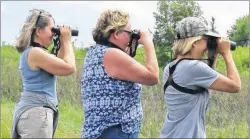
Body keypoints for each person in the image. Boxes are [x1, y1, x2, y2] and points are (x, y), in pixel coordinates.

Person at [80, 9, 159, 139]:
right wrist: (148, 43)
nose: (131, 37)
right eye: (129, 32)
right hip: (115, 130)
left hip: (103, 130)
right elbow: (153, 77)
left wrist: (131, 46)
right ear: (116, 34)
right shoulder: (112, 54)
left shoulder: (95, 52)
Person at [159, 16, 241, 138]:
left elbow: (208, 88)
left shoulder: (171, 67)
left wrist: (212, 55)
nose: (208, 43)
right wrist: (226, 53)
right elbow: (236, 86)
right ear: (194, 42)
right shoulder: (194, 67)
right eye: (206, 39)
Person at [11, 9, 76, 138]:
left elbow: (59, 64)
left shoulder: (33, 52)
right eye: (52, 30)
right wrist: (67, 41)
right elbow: (70, 67)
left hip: (33, 113)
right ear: (39, 31)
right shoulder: (35, 53)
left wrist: (62, 42)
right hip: (36, 113)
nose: (53, 34)